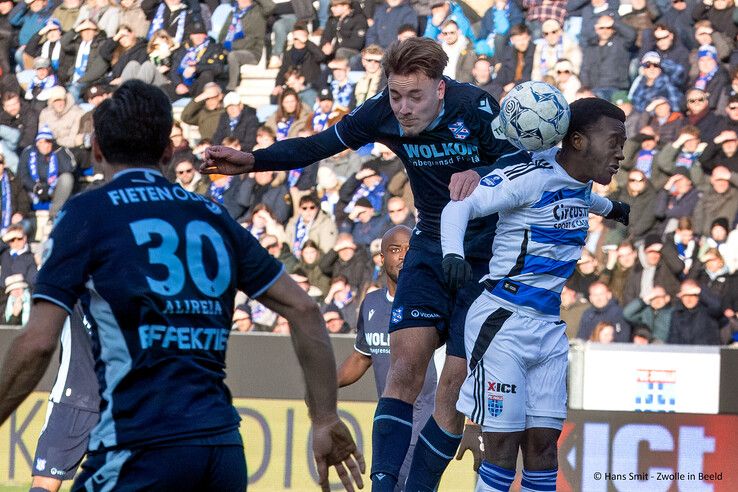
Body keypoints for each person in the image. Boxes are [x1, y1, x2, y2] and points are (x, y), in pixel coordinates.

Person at [0, 81, 364, 492]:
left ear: (96, 149)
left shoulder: (87, 213)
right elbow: (304, 310)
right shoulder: (213, 215)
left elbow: (37, 343)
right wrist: (325, 417)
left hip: (139, 446)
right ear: (169, 151)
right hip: (221, 452)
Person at [200, 36, 518, 491]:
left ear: (441, 88)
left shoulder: (476, 107)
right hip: (429, 244)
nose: (403, 108)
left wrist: (485, 173)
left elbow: (524, 161)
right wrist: (253, 161)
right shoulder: (380, 111)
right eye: (395, 95)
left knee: (451, 387)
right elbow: (318, 145)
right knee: (404, 369)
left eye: (415, 96)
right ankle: (383, 487)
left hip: (484, 254)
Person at [439, 97, 630, 491]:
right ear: (577, 141)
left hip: (549, 330)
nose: (620, 153)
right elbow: (457, 209)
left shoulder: (581, 184)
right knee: (503, 448)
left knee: (544, 449)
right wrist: (453, 253)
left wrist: (612, 208)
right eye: (613, 141)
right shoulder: (529, 178)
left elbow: (580, 198)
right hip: (502, 323)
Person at [338, 225, 445, 491]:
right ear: (381, 258)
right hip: (390, 421)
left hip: (424, 422)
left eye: (410, 250)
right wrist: (325, 384)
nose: (403, 256)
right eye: (395, 250)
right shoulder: (371, 303)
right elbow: (362, 358)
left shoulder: (436, 301)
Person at [30, 303, 99, 492]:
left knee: (45, 482)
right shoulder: (134, 283)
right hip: (118, 401)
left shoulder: (70, 279)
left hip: (71, 399)